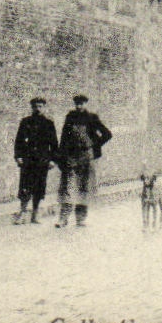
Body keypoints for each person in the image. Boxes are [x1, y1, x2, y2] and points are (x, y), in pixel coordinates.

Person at [55, 94, 111, 228]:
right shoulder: (70, 117)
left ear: (86, 104)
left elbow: (107, 134)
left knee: (84, 186)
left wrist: (94, 145)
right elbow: (64, 137)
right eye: (77, 104)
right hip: (71, 156)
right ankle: (63, 218)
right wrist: (61, 155)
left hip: (86, 156)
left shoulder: (92, 118)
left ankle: (80, 218)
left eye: (82, 103)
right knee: (67, 186)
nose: (79, 106)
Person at [13, 97, 59, 224]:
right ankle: (22, 212)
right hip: (28, 160)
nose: (37, 109)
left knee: (39, 187)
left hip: (42, 160)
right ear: (32, 108)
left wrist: (53, 160)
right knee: (25, 186)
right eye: (35, 106)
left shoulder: (49, 124)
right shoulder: (25, 122)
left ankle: (35, 213)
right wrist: (18, 156)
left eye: (40, 106)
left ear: (44, 107)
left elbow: (54, 144)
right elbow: (19, 141)